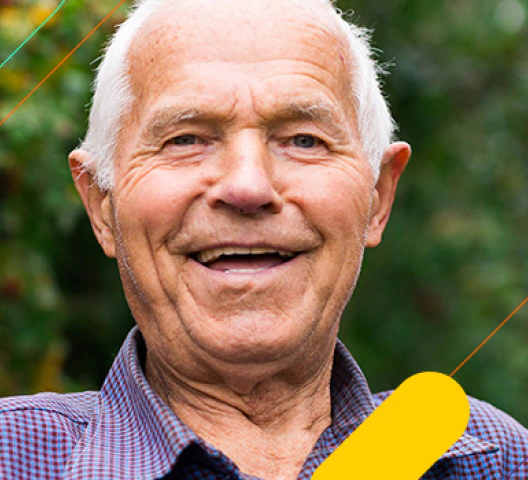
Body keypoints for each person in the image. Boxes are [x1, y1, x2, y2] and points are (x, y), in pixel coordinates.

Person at [1, 0, 527, 478]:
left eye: (304, 139)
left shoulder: (498, 462)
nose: (248, 186)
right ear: (100, 205)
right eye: (185, 138)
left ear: (378, 197)